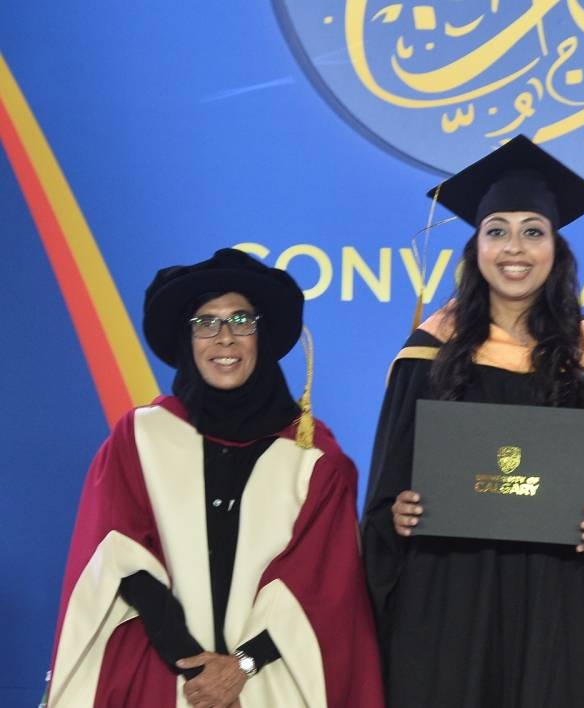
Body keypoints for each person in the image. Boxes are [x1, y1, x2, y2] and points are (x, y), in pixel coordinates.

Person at [362, 135, 584, 708]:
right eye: (496, 230)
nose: (514, 248)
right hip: (447, 599)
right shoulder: (428, 355)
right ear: (475, 247)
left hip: (561, 604)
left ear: (556, 247)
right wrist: (395, 516)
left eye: (532, 231)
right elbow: (384, 496)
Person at [44, 248, 383, 707]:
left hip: (267, 678)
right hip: (164, 671)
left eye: (241, 321)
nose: (224, 338)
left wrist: (240, 666)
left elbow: (324, 584)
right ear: (188, 340)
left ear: (260, 336)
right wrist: (194, 662)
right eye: (206, 323)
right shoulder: (142, 437)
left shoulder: (312, 457)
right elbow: (120, 553)